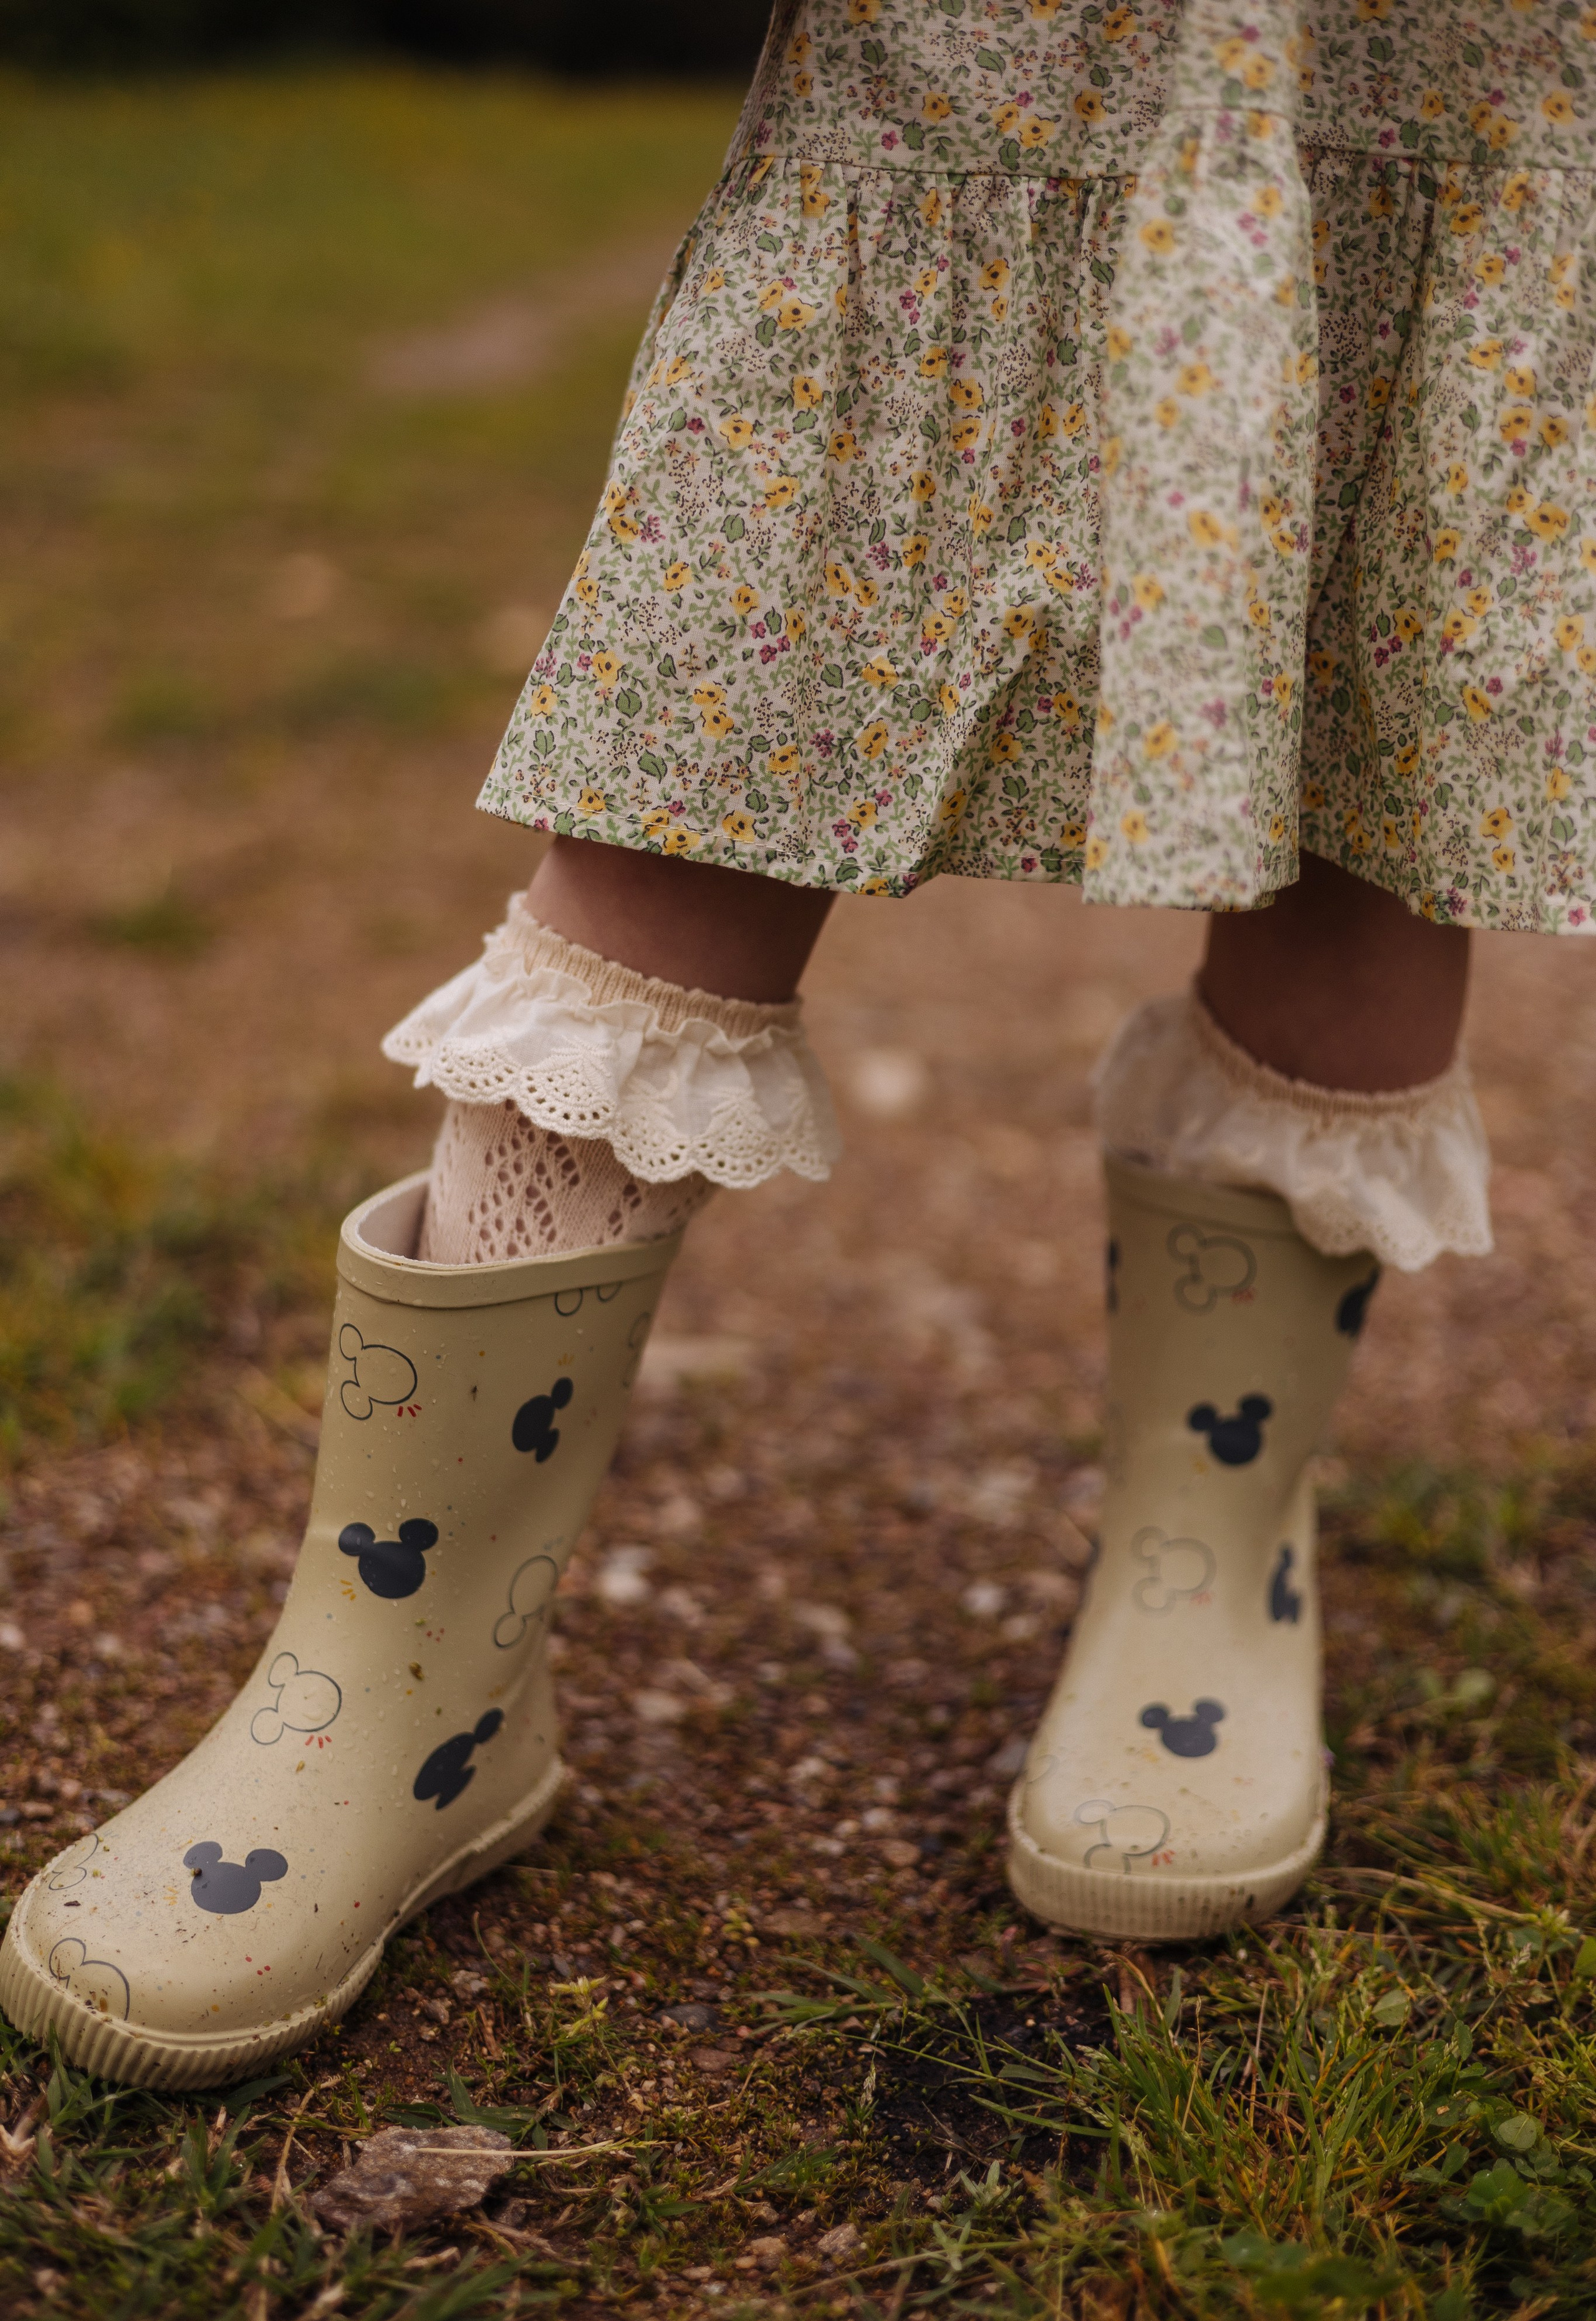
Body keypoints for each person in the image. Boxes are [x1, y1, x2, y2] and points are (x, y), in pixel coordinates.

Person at [11, 0, 1585, 2077]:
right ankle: (404, 1690)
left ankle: (1205, 1581)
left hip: (1441, 96)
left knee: (1349, 836)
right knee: (680, 817)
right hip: (957, 94)